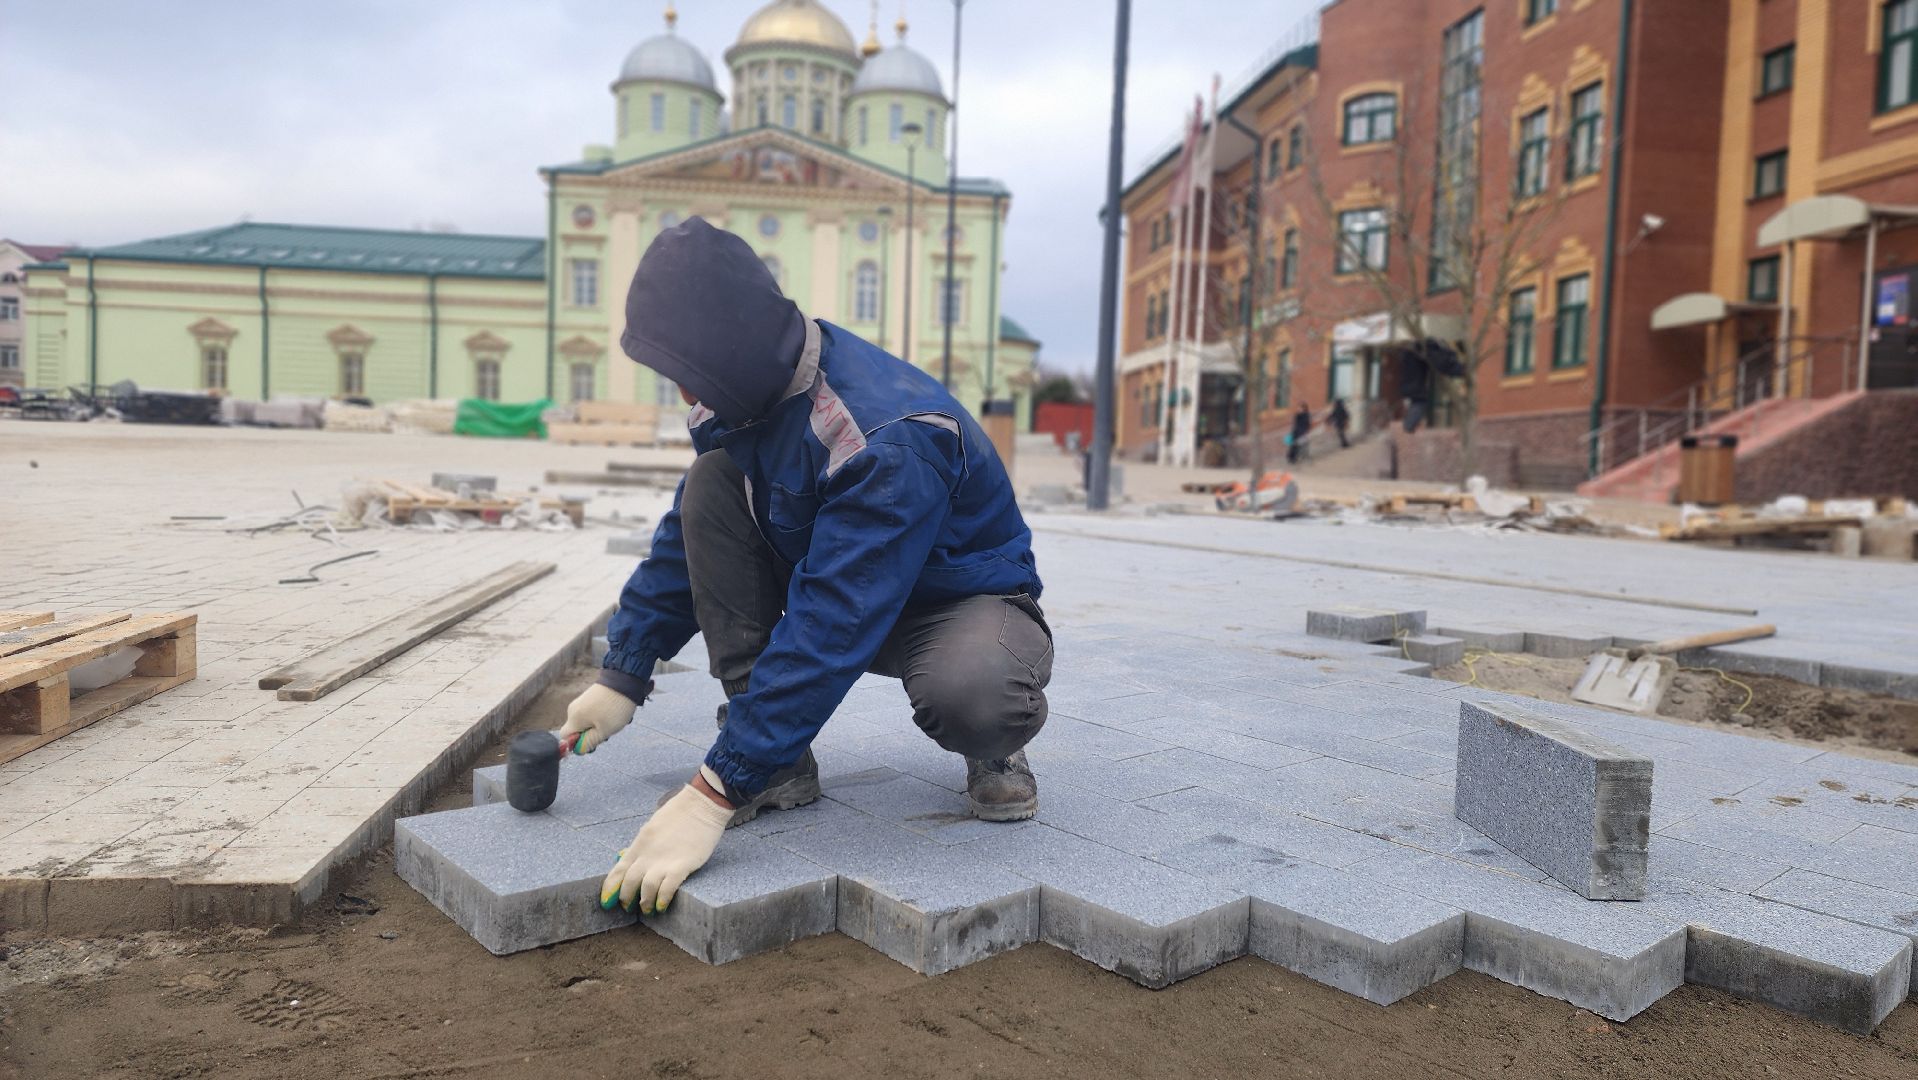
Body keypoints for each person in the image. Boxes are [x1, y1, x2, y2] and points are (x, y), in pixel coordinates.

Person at [558, 218, 1052, 917]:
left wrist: (713, 793)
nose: (684, 395)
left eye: (687, 374)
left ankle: (995, 746)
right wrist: (624, 671)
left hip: (956, 605)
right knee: (711, 486)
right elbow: (685, 543)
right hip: (847, 587)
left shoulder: (883, 436)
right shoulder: (741, 398)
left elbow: (833, 618)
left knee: (975, 696)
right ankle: (778, 762)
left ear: (731, 352)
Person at [1398, 338, 1466, 433]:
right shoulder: (1426, 347)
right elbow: (1442, 363)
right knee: (1419, 403)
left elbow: (1441, 362)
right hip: (1416, 386)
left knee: (1417, 403)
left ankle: (1408, 427)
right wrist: (1460, 370)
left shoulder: (1410, 351)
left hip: (1411, 385)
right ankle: (1408, 428)